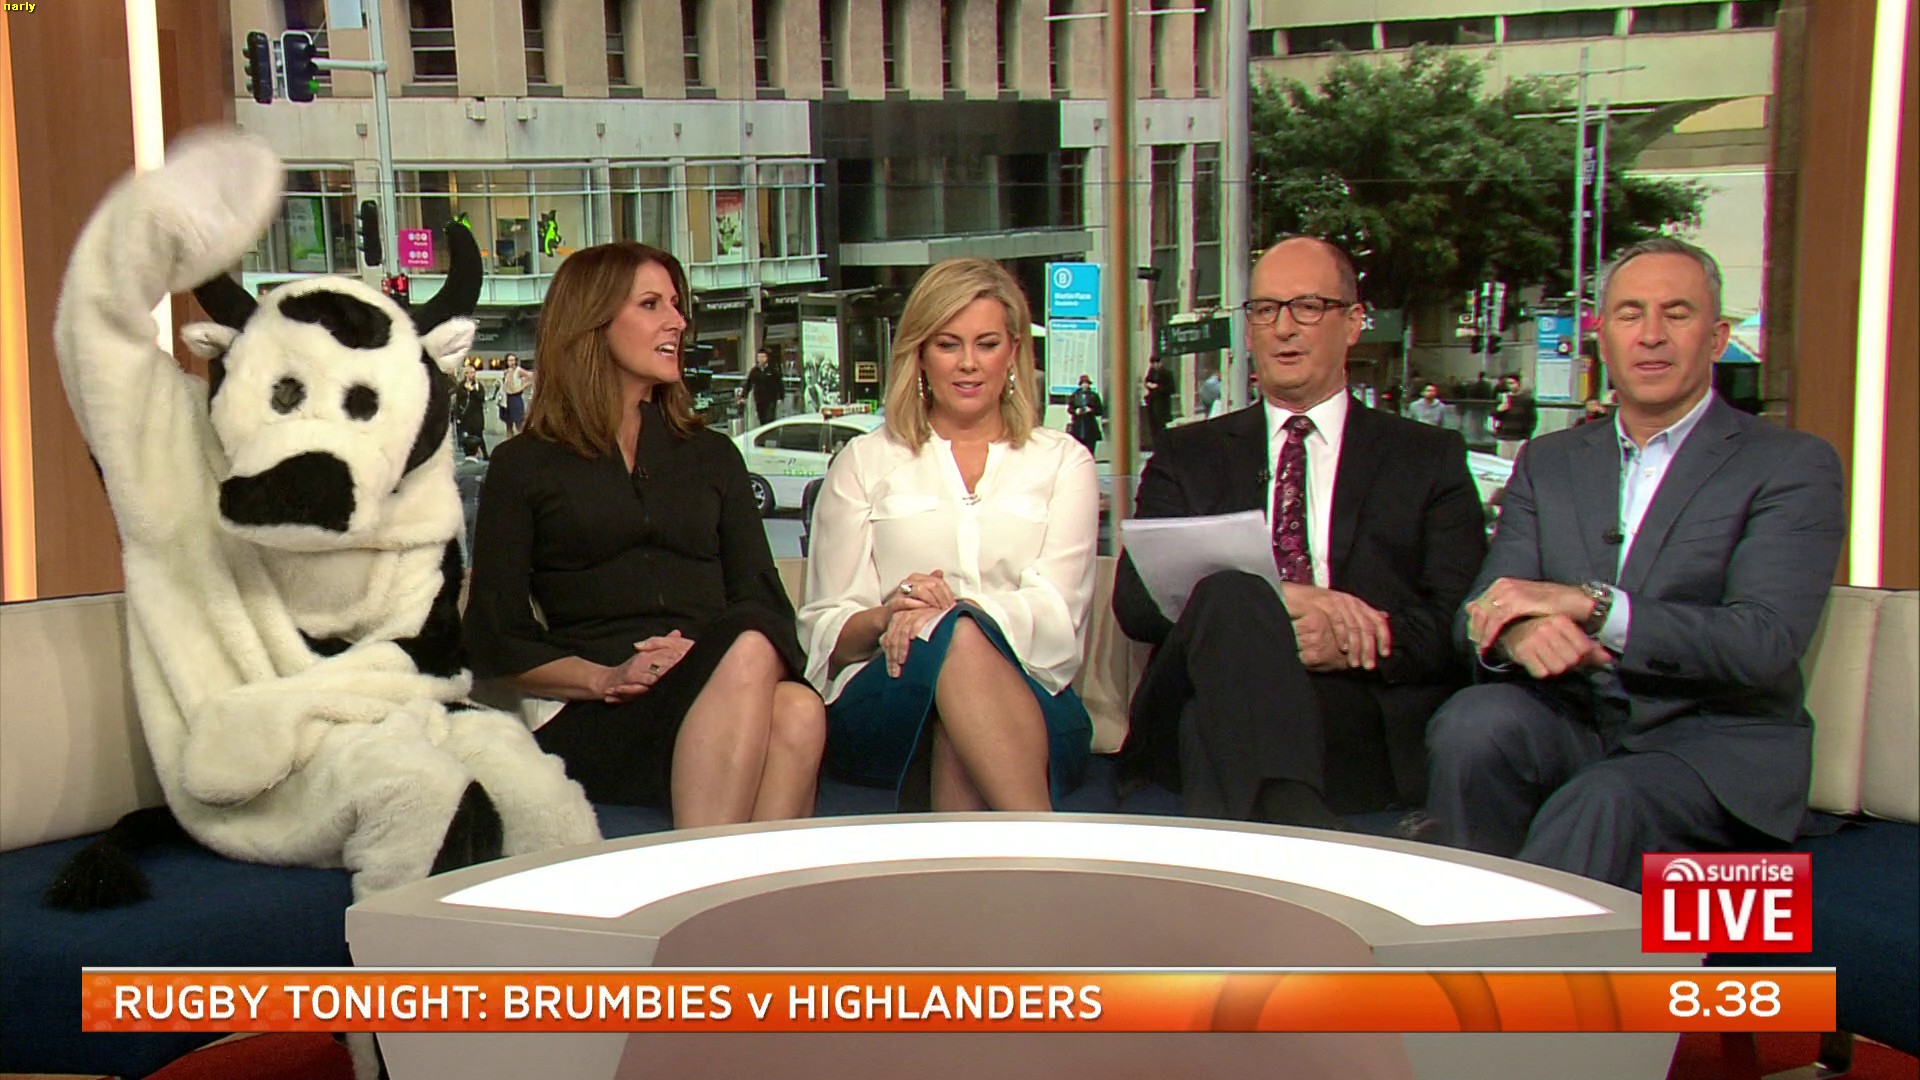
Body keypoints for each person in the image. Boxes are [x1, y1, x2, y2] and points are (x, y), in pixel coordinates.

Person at [1422, 237, 1845, 891]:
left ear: (1717, 337)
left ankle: (1506, 954)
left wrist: (1593, 607)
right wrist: (1519, 632)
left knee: (1605, 801)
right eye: (1630, 314)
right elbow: (1480, 608)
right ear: (1603, 336)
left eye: (1676, 313)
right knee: (1472, 727)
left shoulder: (1790, 464)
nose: (1651, 335)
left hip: (1710, 745)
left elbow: (1763, 641)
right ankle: (1461, 924)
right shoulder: (1550, 462)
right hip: (1575, 719)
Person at [1111, 236, 1488, 828]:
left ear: (1354, 322)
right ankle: (1300, 828)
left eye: (1307, 307)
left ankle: (1277, 821)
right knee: (1232, 594)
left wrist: (1354, 640)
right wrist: (1280, 600)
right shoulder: (1189, 453)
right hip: (1195, 682)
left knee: (1206, 731)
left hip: (1351, 708)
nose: (1284, 328)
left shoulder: (1426, 457)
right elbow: (1135, 604)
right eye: (1265, 309)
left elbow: (1457, 620)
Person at [463, 241, 826, 826]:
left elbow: (765, 603)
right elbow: (493, 637)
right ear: (593, 323)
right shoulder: (524, 465)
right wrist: (606, 678)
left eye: (677, 306)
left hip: (723, 682)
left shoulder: (713, 456)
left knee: (792, 701)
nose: (677, 322)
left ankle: (712, 873)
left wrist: (706, 658)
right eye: (652, 304)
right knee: (781, 694)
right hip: (602, 715)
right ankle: (729, 878)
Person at [799, 258, 1099, 812]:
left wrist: (951, 617)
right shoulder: (865, 461)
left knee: (960, 646)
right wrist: (890, 617)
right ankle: (1040, 845)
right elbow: (824, 630)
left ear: (1013, 350)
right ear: (919, 353)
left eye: (987, 344)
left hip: (1034, 697)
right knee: (955, 649)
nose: (968, 364)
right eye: (947, 344)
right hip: (887, 696)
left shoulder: (1063, 461)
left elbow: (1059, 615)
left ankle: (1001, 857)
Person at [1492, 373, 1537, 460]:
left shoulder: (1527, 400)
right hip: (1505, 435)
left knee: (1518, 460)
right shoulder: (1503, 399)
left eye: (1512, 383)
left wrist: (1527, 434)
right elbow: (1495, 416)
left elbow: (1531, 418)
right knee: (1503, 460)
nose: (1510, 386)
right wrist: (1499, 410)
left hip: (1520, 436)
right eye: (1508, 383)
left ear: (1518, 384)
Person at [740, 348, 784, 427]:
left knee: (769, 418)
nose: (761, 359)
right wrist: (743, 396)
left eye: (763, 357)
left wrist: (780, 397)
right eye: (759, 357)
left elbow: (779, 384)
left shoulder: (772, 370)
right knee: (762, 418)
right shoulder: (754, 371)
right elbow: (748, 384)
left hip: (771, 398)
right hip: (759, 399)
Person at [455, 363, 490, 457]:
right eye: (470, 373)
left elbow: (481, 398)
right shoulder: (461, 386)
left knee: (479, 435)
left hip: (476, 415)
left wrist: (473, 390)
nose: (472, 375)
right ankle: (470, 454)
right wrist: (458, 417)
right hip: (465, 416)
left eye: (473, 372)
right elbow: (459, 401)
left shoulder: (478, 385)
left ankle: (485, 454)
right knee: (467, 436)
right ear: (466, 374)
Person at [1141, 354, 1175, 449]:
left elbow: (1171, 389)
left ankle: (1162, 444)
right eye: (1153, 363)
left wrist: (1158, 387)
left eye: (1156, 363)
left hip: (1162, 404)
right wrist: (1148, 385)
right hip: (1152, 402)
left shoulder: (1167, 373)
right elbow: (1147, 381)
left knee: (1161, 425)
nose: (1155, 365)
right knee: (1153, 426)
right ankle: (1155, 444)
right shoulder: (1151, 372)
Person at [1067, 374, 1105, 456]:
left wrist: (1091, 410)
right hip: (1078, 424)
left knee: (1090, 446)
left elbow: (1100, 411)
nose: (1085, 385)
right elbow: (1070, 409)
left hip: (1090, 424)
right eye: (1083, 383)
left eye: (1086, 383)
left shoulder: (1094, 396)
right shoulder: (1075, 395)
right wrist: (1076, 411)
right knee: (1078, 446)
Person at [497, 353, 531, 437]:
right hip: (506, 399)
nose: (512, 362)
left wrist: (522, 386)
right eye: (510, 360)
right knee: (508, 424)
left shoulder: (518, 370)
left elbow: (531, 376)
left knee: (518, 423)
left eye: (513, 360)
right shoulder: (506, 371)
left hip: (515, 398)